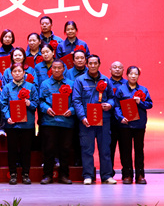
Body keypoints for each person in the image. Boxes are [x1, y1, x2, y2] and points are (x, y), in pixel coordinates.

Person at [71, 55, 117, 185]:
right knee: (87, 149)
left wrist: (110, 105)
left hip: (104, 119)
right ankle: (88, 175)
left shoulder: (106, 80)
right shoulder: (80, 80)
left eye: (95, 63)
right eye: (90, 63)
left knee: (105, 149)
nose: (92, 65)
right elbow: (76, 100)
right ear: (87, 64)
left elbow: (112, 98)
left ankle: (107, 175)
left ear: (99, 64)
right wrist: (82, 117)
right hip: (87, 120)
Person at [0, 63, 39, 185]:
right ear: (11, 73)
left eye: (19, 71)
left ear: (24, 73)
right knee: (12, 150)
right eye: (14, 71)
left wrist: (29, 103)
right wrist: (8, 117)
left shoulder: (31, 87)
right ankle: (13, 174)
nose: (17, 73)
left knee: (26, 150)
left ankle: (25, 174)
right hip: (12, 125)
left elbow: (36, 103)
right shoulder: (7, 88)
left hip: (27, 124)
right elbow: (3, 104)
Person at [38, 60, 75, 185]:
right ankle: (47, 175)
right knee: (49, 149)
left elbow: (76, 101)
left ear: (64, 69)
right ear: (51, 69)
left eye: (59, 68)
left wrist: (71, 110)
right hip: (50, 122)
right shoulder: (45, 84)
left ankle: (64, 175)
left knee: (65, 149)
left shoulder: (71, 84)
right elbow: (40, 101)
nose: (57, 70)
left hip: (66, 122)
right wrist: (46, 109)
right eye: (54, 68)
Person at [115, 66, 152, 184]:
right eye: (131, 73)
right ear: (127, 75)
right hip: (125, 125)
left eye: (136, 74)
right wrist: (121, 117)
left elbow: (150, 104)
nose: (133, 76)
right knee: (125, 150)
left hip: (139, 124)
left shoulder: (143, 89)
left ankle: (140, 175)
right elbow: (116, 106)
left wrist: (140, 102)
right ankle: (127, 175)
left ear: (138, 76)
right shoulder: (121, 89)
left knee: (139, 150)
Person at [109, 61, 126, 176]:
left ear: (123, 70)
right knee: (109, 148)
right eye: (114, 67)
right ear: (110, 69)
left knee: (125, 148)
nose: (117, 69)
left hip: (124, 121)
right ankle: (109, 173)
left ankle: (126, 173)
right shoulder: (105, 82)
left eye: (119, 67)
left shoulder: (127, 84)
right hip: (109, 121)